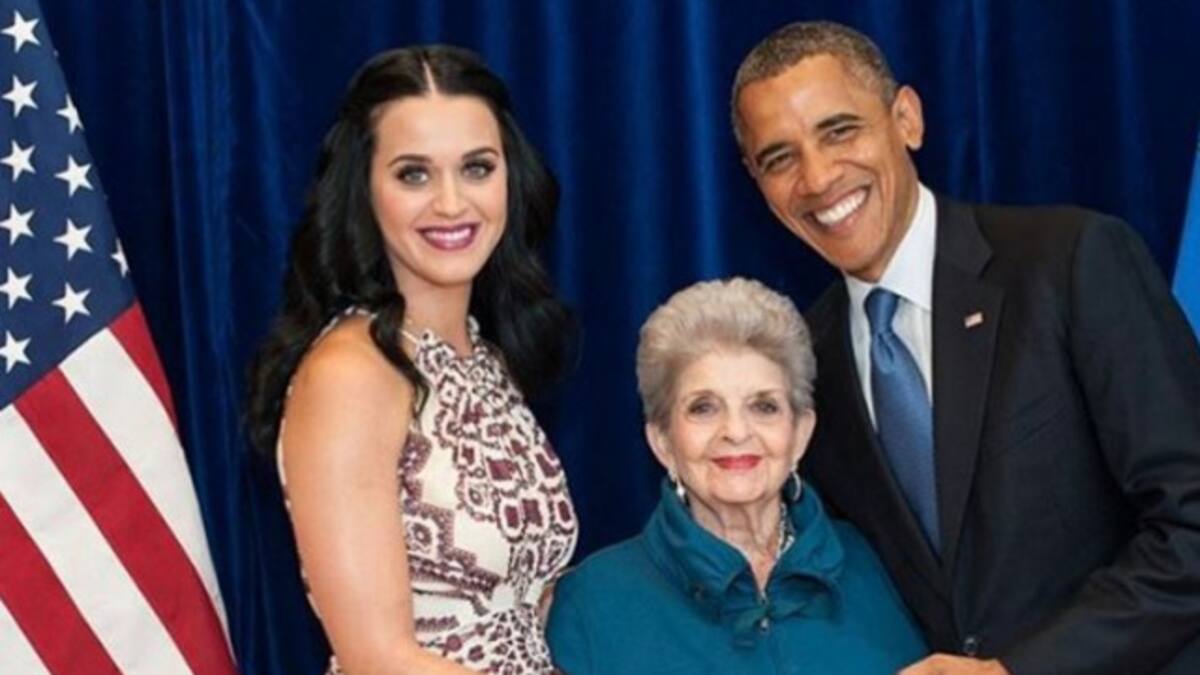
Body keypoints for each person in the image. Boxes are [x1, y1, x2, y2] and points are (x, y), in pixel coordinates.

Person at [730, 20, 1200, 675]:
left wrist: (1019, 670)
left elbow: (1190, 524)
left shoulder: (1069, 264)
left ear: (907, 119)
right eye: (780, 158)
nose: (817, 177)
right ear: (756, 181)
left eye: (839, 131)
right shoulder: (806, 369)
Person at [245, 46, 578, 674]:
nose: (452, 203)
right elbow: (378, 658)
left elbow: (527, 609)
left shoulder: (484, 356)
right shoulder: (351, 373)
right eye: (414, 175)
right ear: (364, 191)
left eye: (477, 168)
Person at [546, 278, 928, 674]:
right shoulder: (592, 604)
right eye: (703, 407)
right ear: (662, 441)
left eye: (763, 406)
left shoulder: (878, 563)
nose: (736, 431)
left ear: (800, 433)